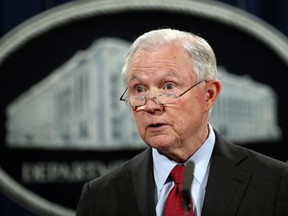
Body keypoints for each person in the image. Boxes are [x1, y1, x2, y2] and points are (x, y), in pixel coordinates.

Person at [76, 28, 288, 216]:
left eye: (168, 87)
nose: (151, 106)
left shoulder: (276, 183)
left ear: (209, 95)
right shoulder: (100, 197)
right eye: (139, 89)